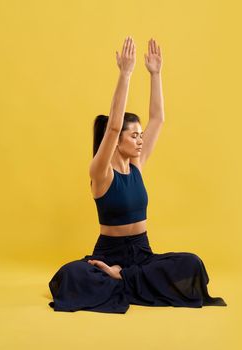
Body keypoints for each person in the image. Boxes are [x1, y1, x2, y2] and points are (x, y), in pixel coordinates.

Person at [48, 36, 227, 313]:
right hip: (108, 253)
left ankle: (122, 277)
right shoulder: (100, 172)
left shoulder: (137, 164)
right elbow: (112, 126)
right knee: (71, 276)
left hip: (142, 254)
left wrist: (156, 74)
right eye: (134, 135)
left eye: (141, 135)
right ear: (118, 141)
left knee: (192, 263)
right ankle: (118, 275)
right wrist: (126, 74)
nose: (141, 140)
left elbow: (158, 118)